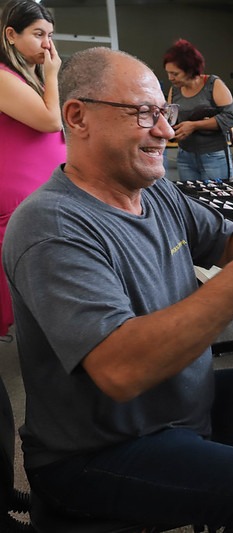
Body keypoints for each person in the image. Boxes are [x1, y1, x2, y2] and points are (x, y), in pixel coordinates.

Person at [1, 47, 233, 532]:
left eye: (163, 113)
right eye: (144, 114)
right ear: (78, 117)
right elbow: (120, 370)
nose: (165, 131)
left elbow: (227, 241)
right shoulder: (51, 226)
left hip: (175, 407)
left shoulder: (155, 191)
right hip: (93, 451)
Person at [0, 0, 65, 343]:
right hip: (17, 193)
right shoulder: (2, 76)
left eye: (50, 35)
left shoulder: (26, 75)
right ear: (11, 35)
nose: (47, 44)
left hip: (37, 190)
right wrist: (52, 75)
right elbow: (50, 120)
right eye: (38, 34)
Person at [162, 39, 233, 181]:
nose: (170, 78)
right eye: (168, 73)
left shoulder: (213, 84)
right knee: (192, 199)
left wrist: (194, 126)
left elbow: (230, 118)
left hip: (213, 155)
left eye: (175, 74)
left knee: (218, 198)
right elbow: (170, 120)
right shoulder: (175, 90)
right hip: (185, 155)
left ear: (190, 70)